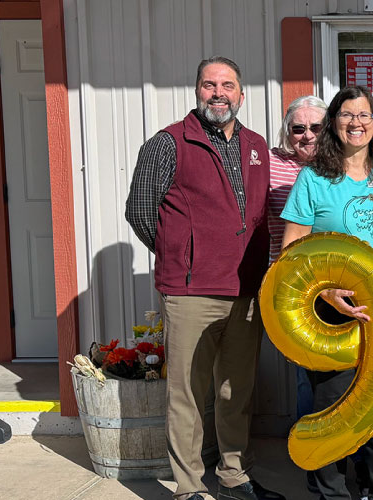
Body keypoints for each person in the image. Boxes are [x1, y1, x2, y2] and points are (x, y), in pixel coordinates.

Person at [125, 56, 282, 500]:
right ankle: (189, 487)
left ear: (241, 94)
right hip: (191, 292)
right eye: (210, 85)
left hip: (246, 290)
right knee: (188, 395)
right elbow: (140, 211)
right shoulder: (168, 143)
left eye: (227, 85)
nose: (218, 93)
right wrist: (184, 255)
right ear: (197, 91)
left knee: (236, 391)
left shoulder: (255, 145)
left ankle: (233, 477)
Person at [279, 85, 373, 500]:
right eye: (347, 115)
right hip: (331, 310)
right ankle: (332, 494)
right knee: (332, 408)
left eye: (364, 115)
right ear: (333, 123)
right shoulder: (313, 178)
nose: (356, 123)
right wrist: (325, 293)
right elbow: (292, 250)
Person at [267, 95, 327, 422]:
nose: (308, 135)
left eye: (316, 127)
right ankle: (309, 441)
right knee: (305, 369)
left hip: (338, 279)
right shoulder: (270, 163)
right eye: (298, 128)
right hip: (293, 282)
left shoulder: (345, 164)